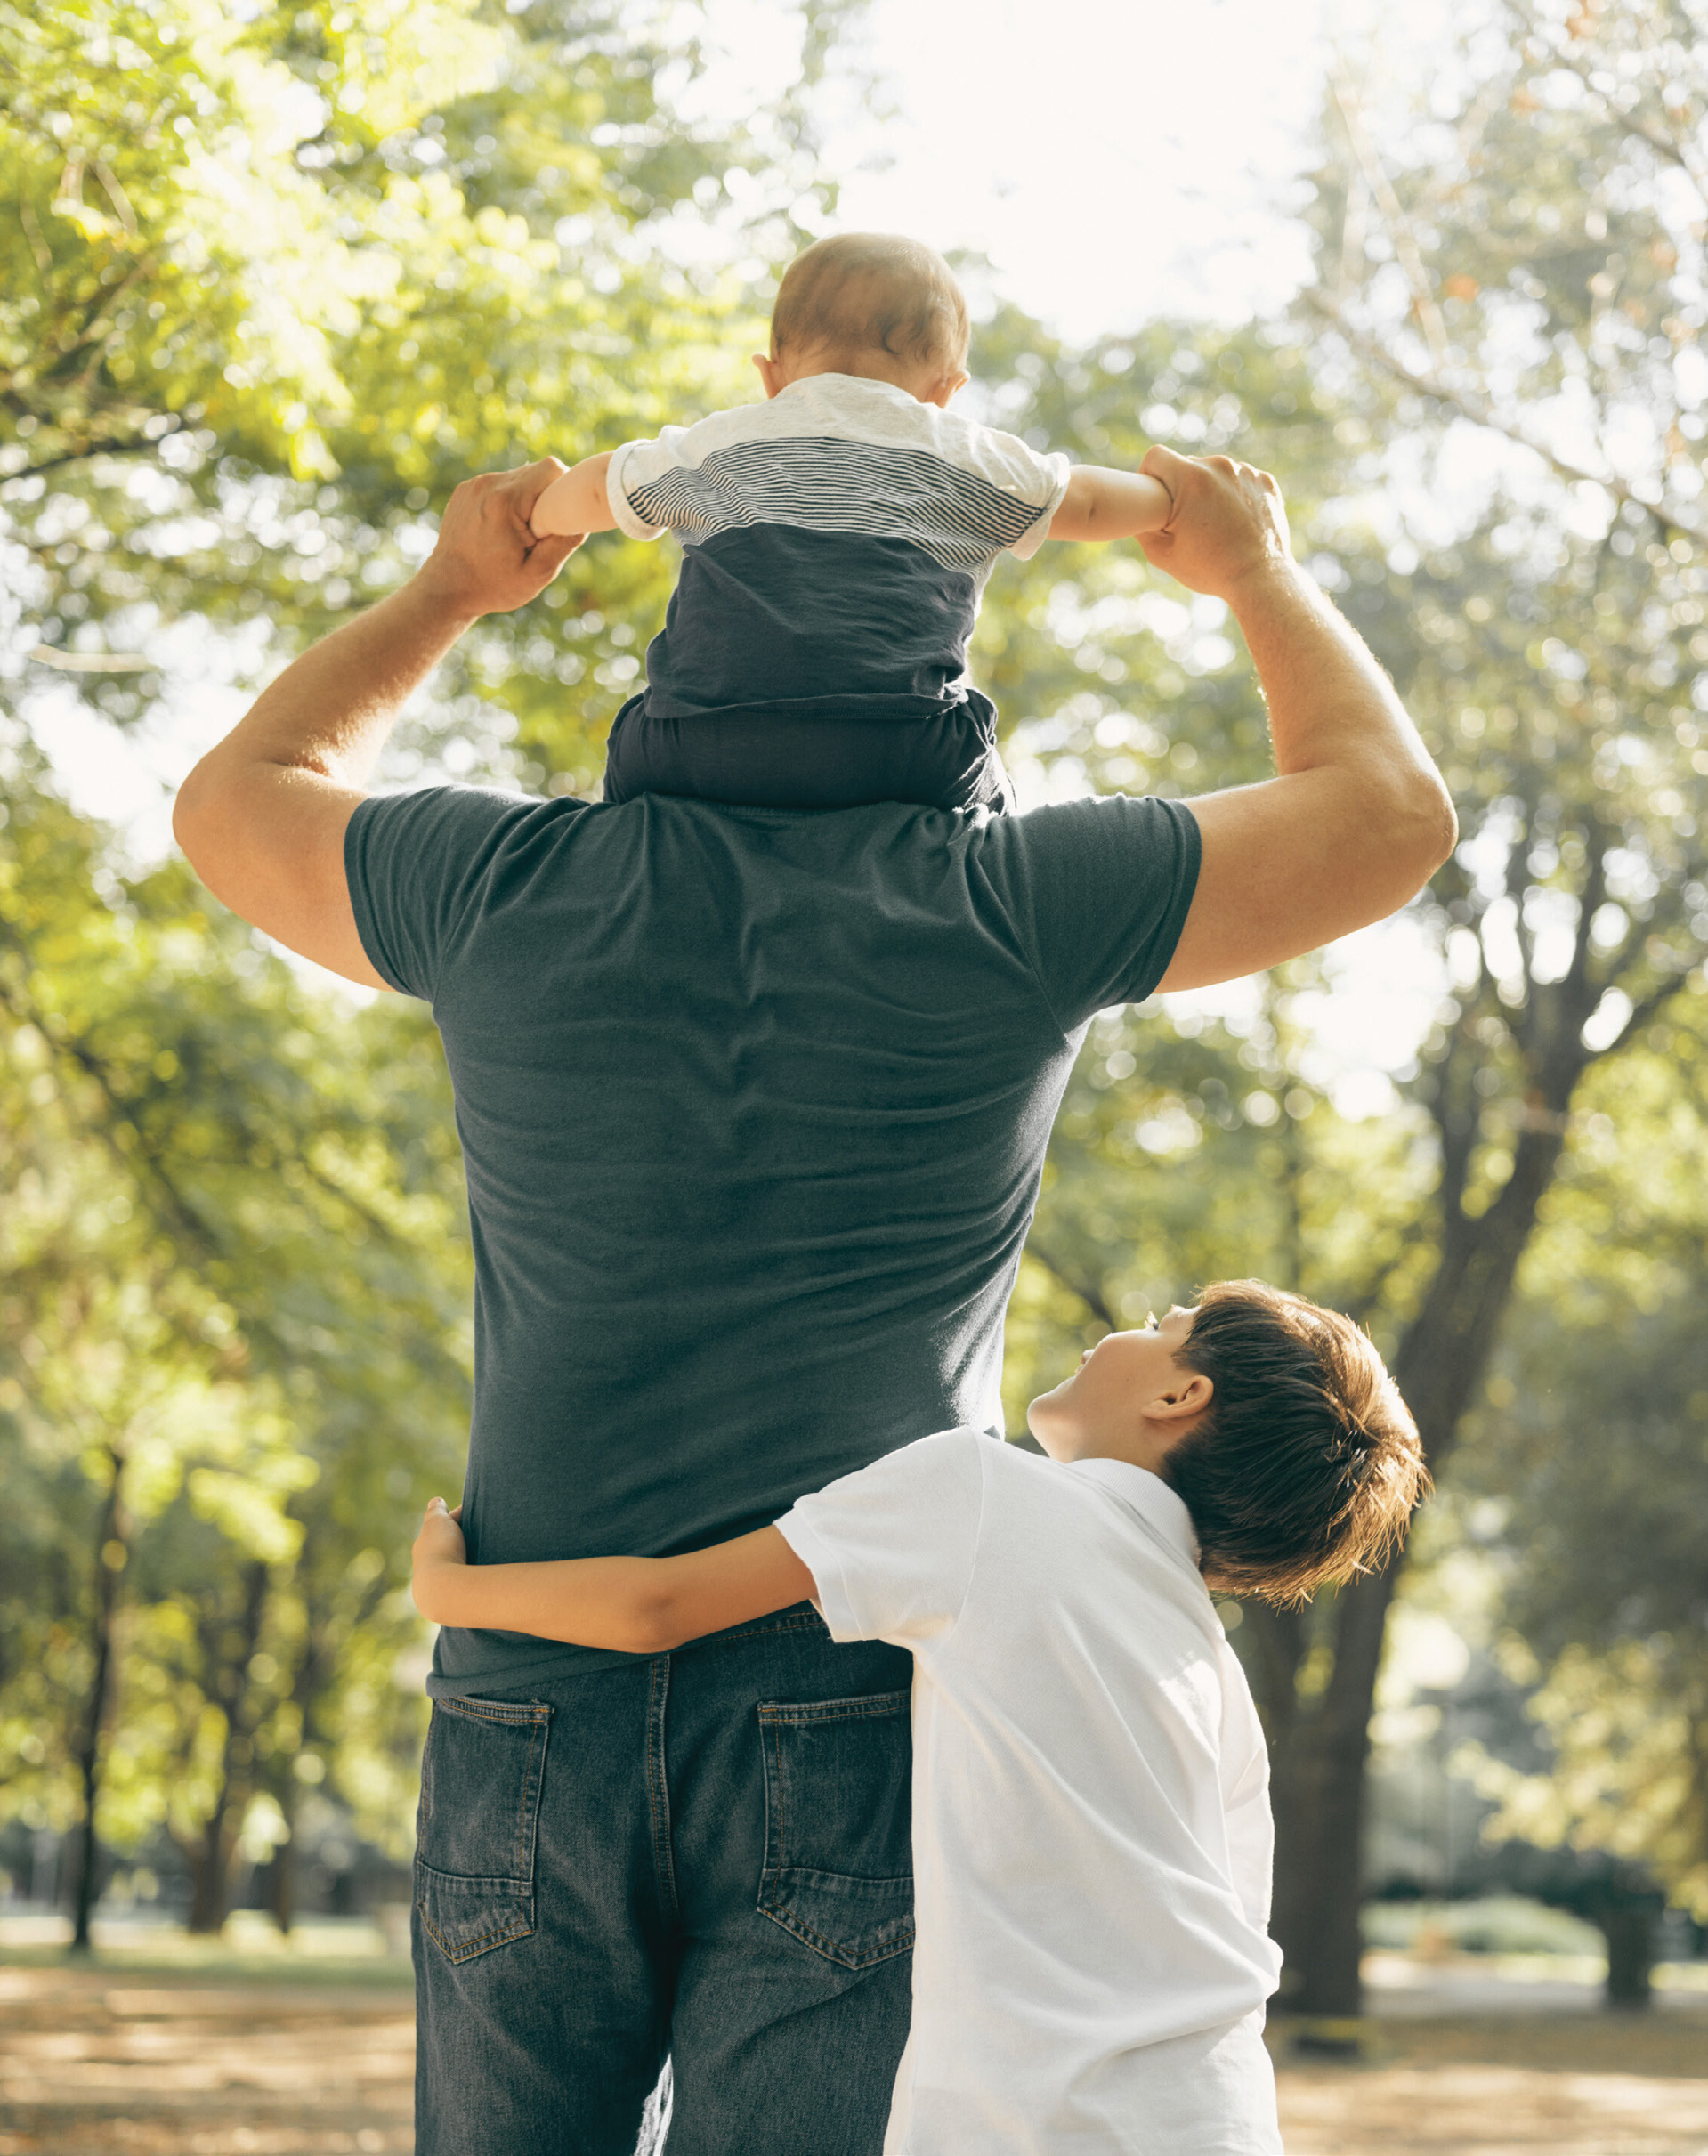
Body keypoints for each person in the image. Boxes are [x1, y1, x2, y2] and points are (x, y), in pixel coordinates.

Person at [172, 425, 1454, 2153]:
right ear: (943, 689)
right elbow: (1385, 815)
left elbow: (230, 798)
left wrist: (449, 589)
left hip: (522, 1665)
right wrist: (1251, 566)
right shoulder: (1011, 903)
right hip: (848, 1692)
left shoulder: (498, 887)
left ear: (680, 654)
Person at [409, 1284, 1427, 2155]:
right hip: (1214, 2112)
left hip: (1035, 2119)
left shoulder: (986, 1494)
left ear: (1179, 1392)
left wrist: (451, 1594)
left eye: (1165, 1321)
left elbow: (659, 1607)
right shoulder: (1208, 1664)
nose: (1127, 1329)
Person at [528, 231, 1175, 815]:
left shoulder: (715, 445)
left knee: (633, 742)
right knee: (991, 797)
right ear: (946, 391)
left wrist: (535, 516)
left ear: (769, 375)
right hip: (903, 749)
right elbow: (1087, 502)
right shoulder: (967, 455)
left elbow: (595, 486)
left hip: (694, 745)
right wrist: (1170, 498)